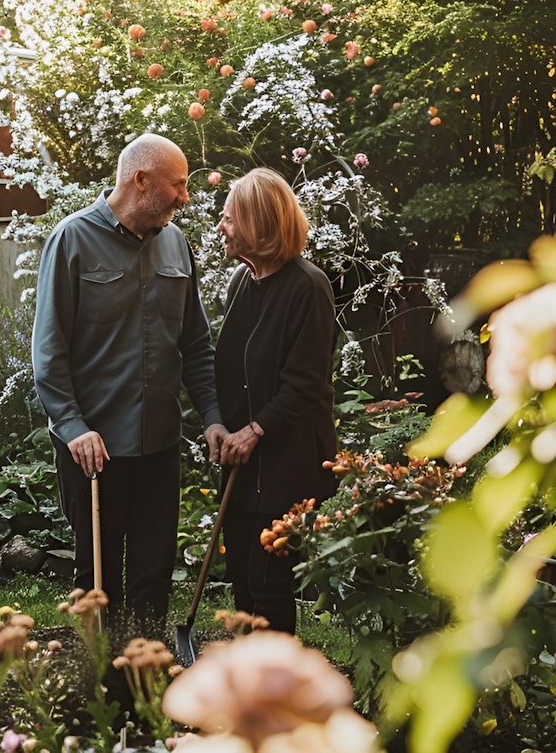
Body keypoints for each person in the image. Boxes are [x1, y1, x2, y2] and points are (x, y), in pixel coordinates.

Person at [32, 133, 228, 625]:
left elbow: (196, 344)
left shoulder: (177, 246)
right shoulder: (71, 240)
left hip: (159, 444)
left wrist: (212, 417)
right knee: (97, 579)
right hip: (93, 447)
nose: (186, 197)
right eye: (178, 186)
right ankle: (96, 684)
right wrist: (73, 428)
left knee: (153, 573)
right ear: (141, 181)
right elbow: (49, 350)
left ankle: (143, 685)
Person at [212, 166, 338, 635]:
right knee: (243, 582)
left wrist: (256, 429)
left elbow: (305, 383)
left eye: (229, 219)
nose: (220, 228)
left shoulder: (308, 287)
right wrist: (219, 426)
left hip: (286, 465)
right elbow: (231, 368)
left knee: (269, 586)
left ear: (260, 223)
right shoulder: (240, 284)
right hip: (241, 466)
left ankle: (278, 688)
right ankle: (250, 682)